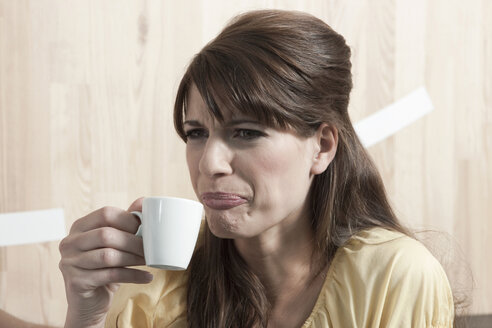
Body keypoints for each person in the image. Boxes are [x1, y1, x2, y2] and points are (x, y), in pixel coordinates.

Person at [58, 9, 454, 328]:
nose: (209, 164)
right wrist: (86, 317)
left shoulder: (394, 278)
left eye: (246, 132)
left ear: (323, 146)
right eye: (196, 133)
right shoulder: (151, 284)